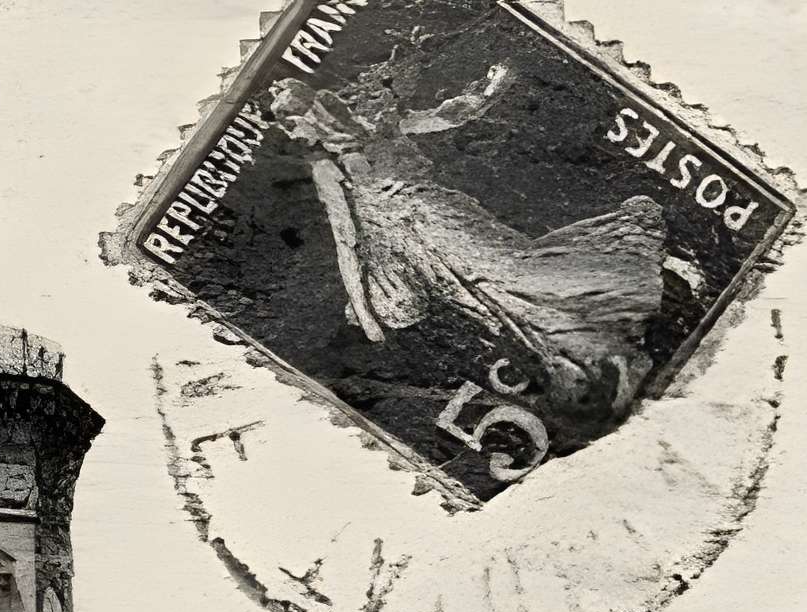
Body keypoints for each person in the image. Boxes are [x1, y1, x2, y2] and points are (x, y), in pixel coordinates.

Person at [265, 52, 669, 412]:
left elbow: (450, 114)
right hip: (418, 242)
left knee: (513, 275)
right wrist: (364, 306)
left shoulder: (378, 124)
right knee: (498, 296)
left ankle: (616, 305)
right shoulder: (327, 167)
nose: (296, 129)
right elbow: (346, 238)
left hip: (444, 213)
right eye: (290, 122)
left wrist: (494, 86)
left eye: (295, 117)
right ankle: (598, 357)